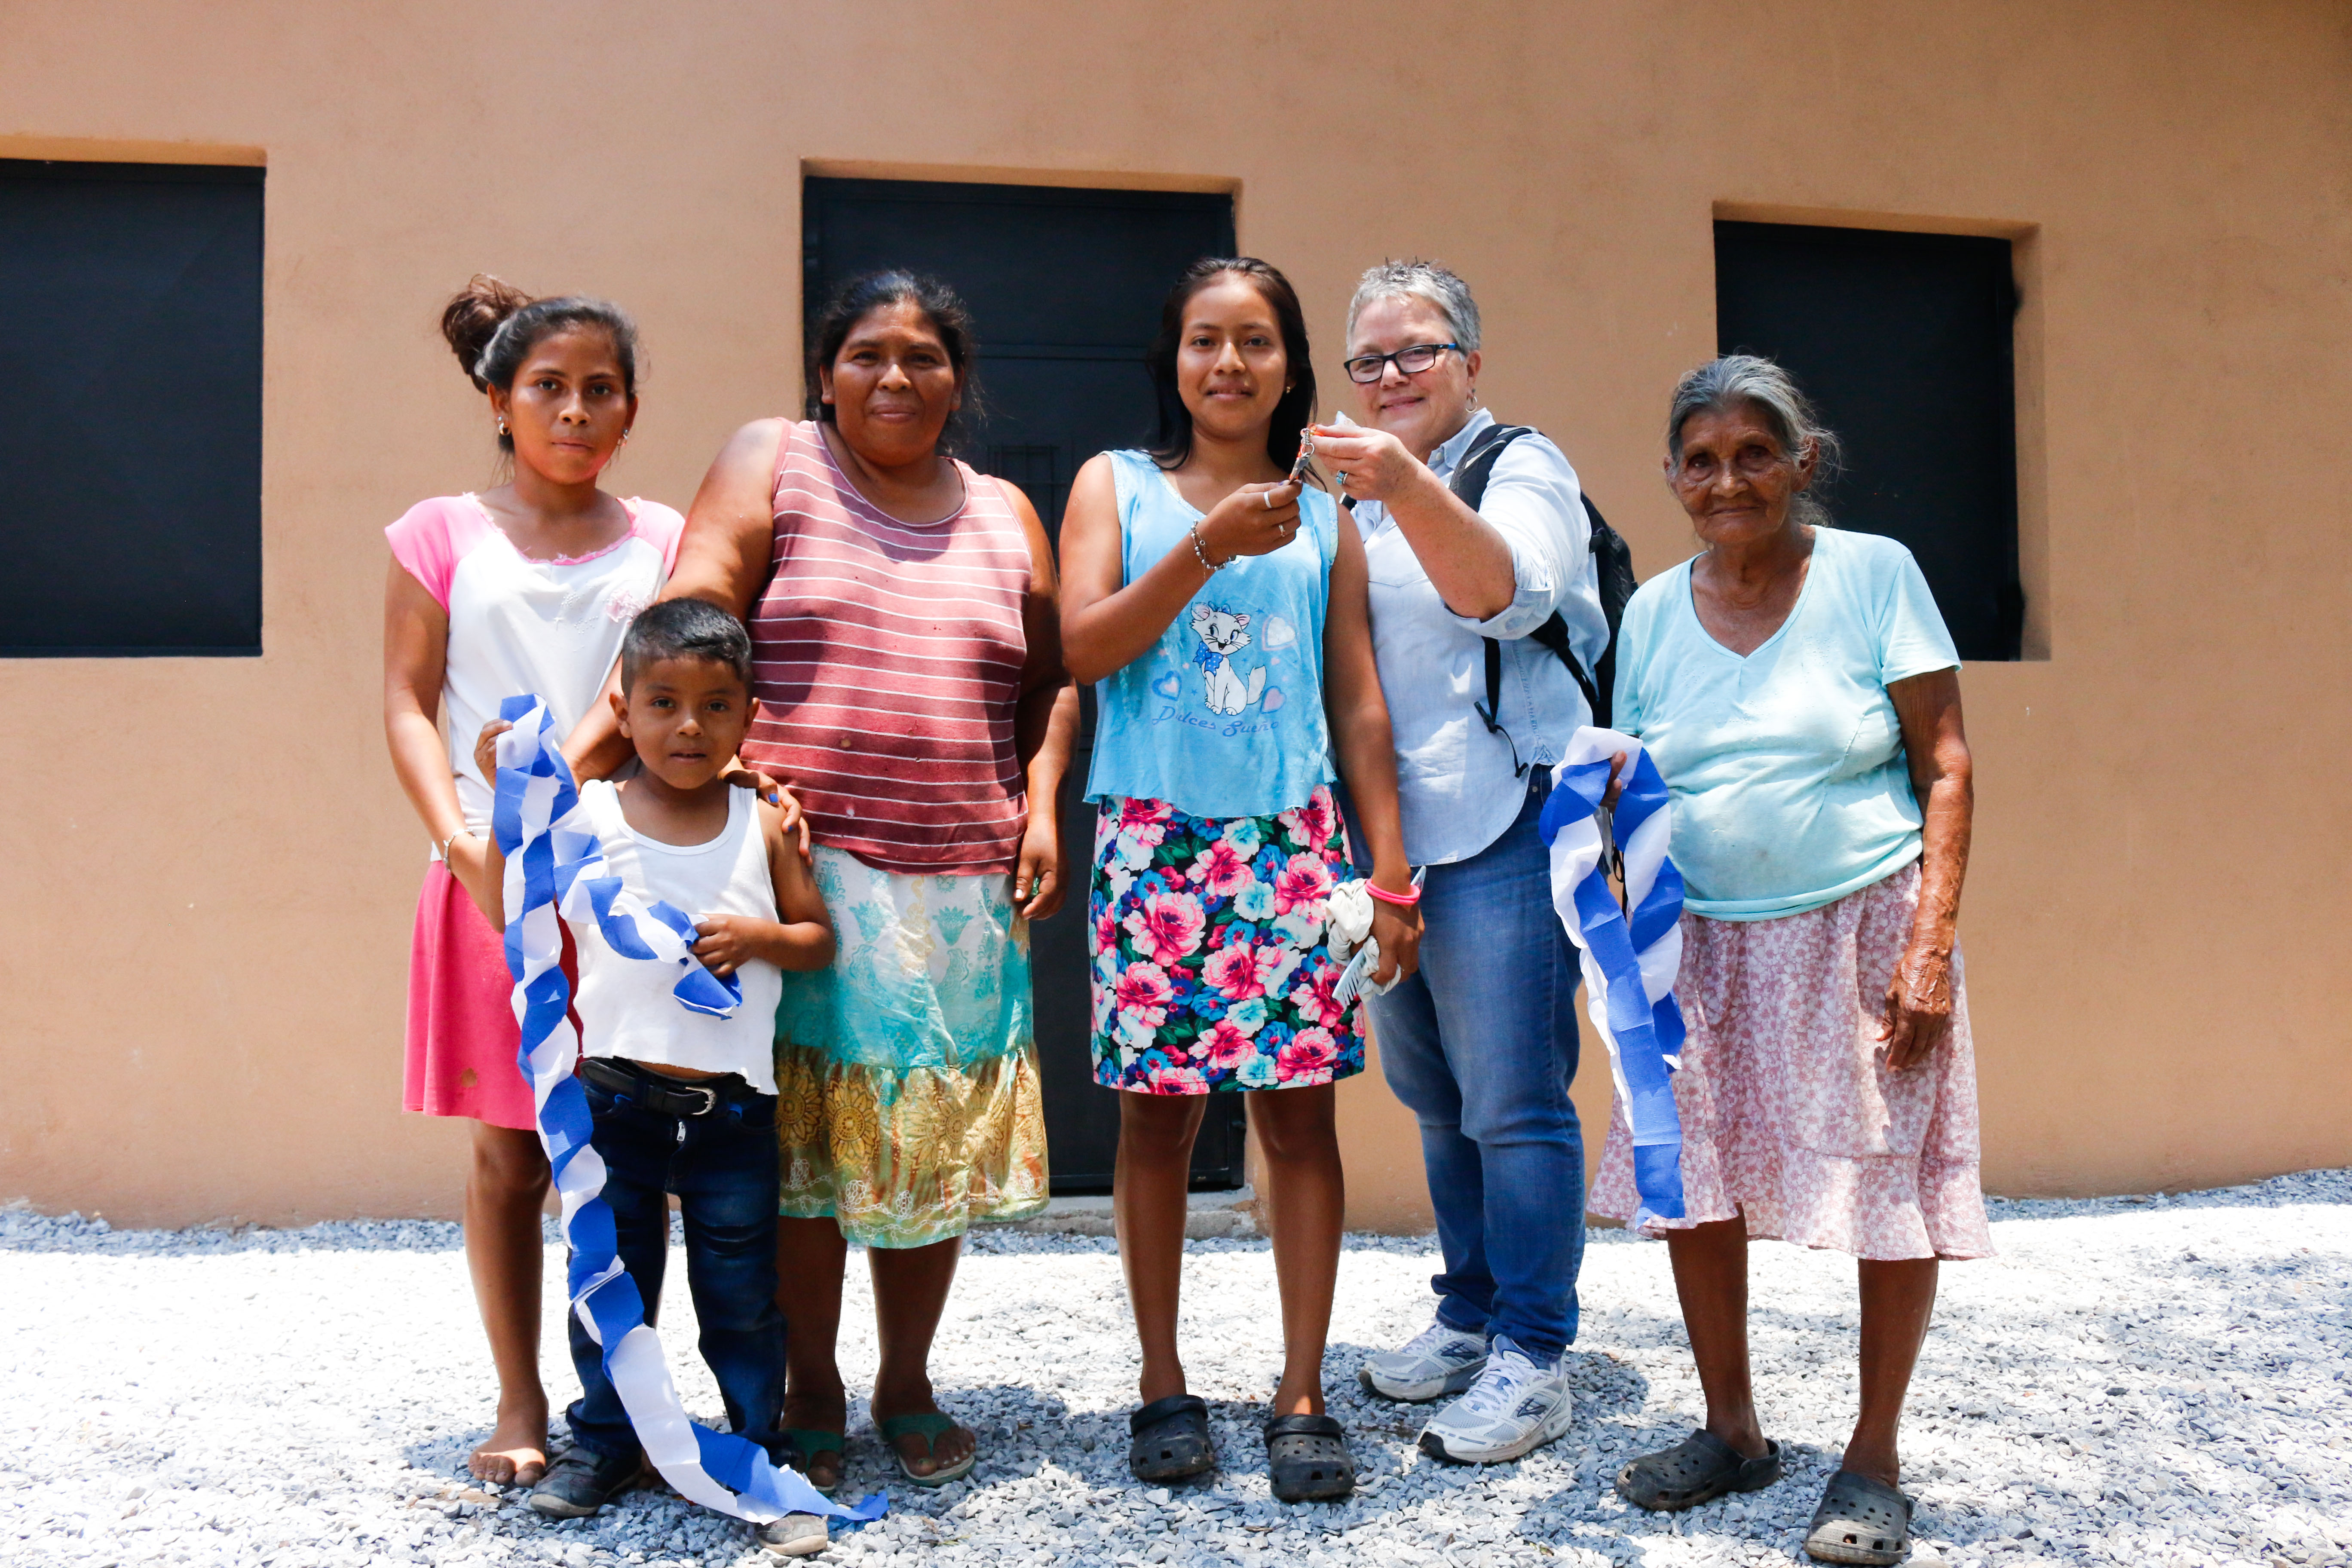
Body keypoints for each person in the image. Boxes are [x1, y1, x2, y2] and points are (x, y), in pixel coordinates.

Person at [640, 270, 1078, 1491]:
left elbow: (1052, 683)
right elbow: (692, 611)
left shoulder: (1006, 512)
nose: (895, 377)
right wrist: (684, 769)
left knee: (920, 1147)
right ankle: (812, 1386)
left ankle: (908, 1382)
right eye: (866, 354)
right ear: (824, 373)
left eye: (924, 356)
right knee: (805, 1153)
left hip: (963, 887)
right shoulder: (775, 460)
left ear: (958, 380)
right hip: (803, 875)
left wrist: (1043, 806)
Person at [1599, 355, 1988, 1568]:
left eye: (1755, 454)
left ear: (1802, 462)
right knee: (1696, 1182)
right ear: (1673, 477)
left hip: (1861, 928)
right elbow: (1629, 779)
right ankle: (1733, 1430)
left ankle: (1873, 1459)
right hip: (1697, 945)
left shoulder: (1875, 575)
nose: (1729, 481)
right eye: (1702, 461)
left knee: (1887, 1185)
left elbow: (1947, 764)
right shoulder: (1651, 612)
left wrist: (1930, 946)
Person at [1060, 257, 1424, 1504]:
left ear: (1291, 365)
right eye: (1205, 339)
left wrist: (1389, 870)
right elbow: (1085, 646)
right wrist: (1208, 547)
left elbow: (1357, 703)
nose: (1229, 363)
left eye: (1256, 341)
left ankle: (1302, 1392)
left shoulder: (1329, 513)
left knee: (1301, 1121)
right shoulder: (1114, 485)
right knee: (1155, 1121)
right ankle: (1163, 1382)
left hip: (1292, 847)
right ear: (1173, 359)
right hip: (1154, 842)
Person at [382, 277, 682, 1487]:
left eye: (599, 389)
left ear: (630, 410)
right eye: (547, 386)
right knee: (514, 1158)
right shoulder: (437, 534)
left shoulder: (663, 541)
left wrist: (575, 789)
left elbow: (651, 694)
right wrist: (463, 842)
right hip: (489, 886)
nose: (574, 410)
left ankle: (628, 1398)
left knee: (627, 1157)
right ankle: (519, 1399)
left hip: (624, 883)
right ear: (499, 401)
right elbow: (406, 703)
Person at [1306, 260, 1606, 1464]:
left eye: (1417, 351)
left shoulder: (1518, 467)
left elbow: (1507, 594)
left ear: (1471, 363)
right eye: (1369, 360)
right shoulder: (1356, 498)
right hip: (1396, 844)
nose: (1392, 376)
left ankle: (1537, 1353)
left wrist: (1399, 480)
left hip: (1506, 819)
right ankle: (1471, 1314)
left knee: (1515, 1100)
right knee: (1437, 1099)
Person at [472, 600, 836, 1558]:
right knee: (608, 1283)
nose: (689, 727)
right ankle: (605, 1444)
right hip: (614, 1105)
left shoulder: (763, 823)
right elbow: (514, 871)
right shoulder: (589, 817)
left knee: (742, 1300)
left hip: (732, 1117)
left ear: (748, 714)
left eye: (716, 707)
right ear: (622, 711)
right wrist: (504, 781)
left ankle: (758, 1456)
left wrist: (761, 937)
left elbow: (816, 939)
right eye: (664, 703)